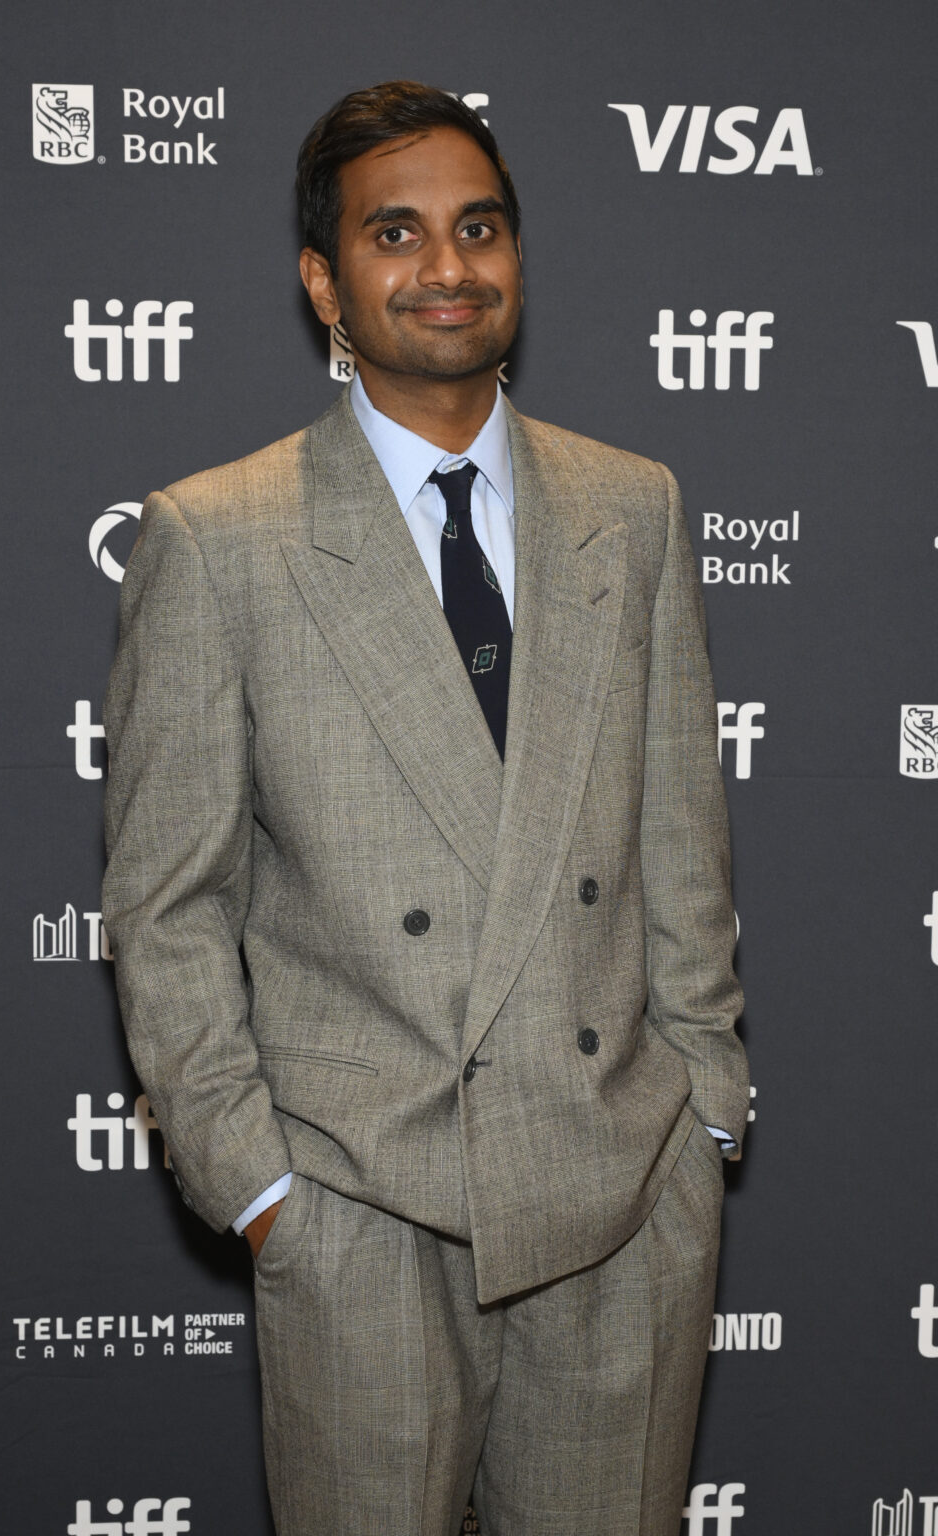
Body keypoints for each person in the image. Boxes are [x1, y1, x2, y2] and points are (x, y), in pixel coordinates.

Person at [102, 80, 749, 1536]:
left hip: (621, 1196)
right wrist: (260, 1186)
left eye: (480, 227)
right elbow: (167, 900)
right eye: (395, 233)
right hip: (362, 1209)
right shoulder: (221, 538)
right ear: (325, 280)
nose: (447, 267)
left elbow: (679, 838)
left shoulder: (632, 507)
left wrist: (705, 1112)